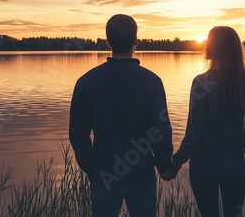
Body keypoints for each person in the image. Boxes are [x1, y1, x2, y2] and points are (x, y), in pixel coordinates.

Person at [69, 14, 173, 217]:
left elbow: (78, 135)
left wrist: (91, 168)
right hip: (140, 172)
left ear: (108, 42)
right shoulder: (152, 82)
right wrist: (163, 165)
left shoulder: (86, 82)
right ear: (136, 42)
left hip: (104, 171)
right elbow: (160, 131)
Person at [161, 26, 245, 217]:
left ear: (213, 47)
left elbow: (193, 135)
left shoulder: (202, 83)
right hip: (235, 169)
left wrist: (174, 165)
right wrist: (233, 149)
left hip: (204, 170)